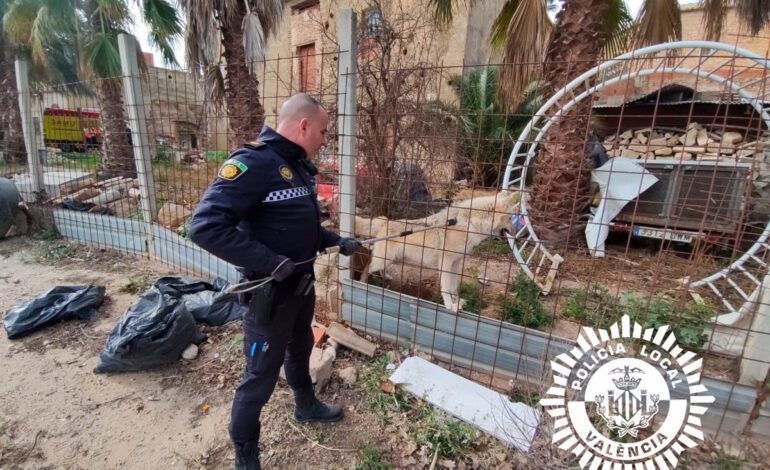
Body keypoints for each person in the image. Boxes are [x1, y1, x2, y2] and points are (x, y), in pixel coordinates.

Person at [188, 93, 361, 470]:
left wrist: (336, 242)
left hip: (300, 287)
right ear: (302, 126)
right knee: (259, 378)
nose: (324, 139)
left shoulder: (296, 166)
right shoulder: (254, 163)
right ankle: (245, 454)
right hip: (270, 296)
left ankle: (306, 405)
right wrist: (270, 263)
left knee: (300, 347)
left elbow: (298, 229)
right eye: (323, 131)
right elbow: (204, 227)